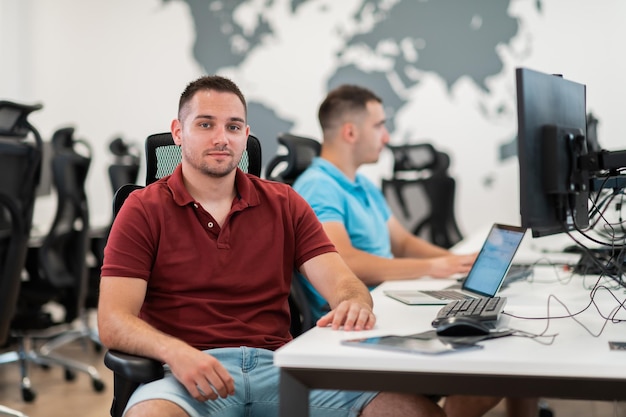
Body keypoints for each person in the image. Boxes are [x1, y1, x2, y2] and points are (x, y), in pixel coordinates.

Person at [97, 75, 449, 417]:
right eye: (205, 125)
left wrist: (353, 302)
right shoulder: (143, 209)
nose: (221, 138)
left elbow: (342, 280)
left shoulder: (284, 202)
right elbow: (113, 320)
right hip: (185, 373)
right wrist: (174, 352)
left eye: (233, 127)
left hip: (279, 367)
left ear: (246, 135)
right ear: (178, 132)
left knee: (413, 410)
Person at [292, 84, 539, 417]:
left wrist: (451, 261)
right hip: (357, 324)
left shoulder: (361, 183)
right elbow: (345, 261)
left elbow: (403, 242)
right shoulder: (318, 186)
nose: (387, 136)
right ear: (350, 132)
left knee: (503, 350)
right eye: (379, 126)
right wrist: (432, 268)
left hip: (387, 305)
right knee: (493, 370)